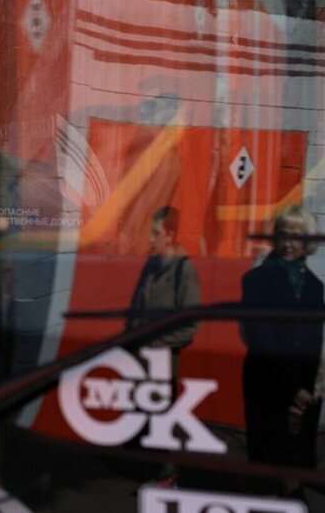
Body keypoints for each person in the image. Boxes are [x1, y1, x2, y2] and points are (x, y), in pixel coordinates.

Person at [240, 205, 325, 477]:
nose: (288, 244)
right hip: (268, 383)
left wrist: (305, 390)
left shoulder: (315, 286)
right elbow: (261, 338)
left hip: (301, 389)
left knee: (294, 462)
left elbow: (315, 340)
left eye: (296, 237)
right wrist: (293, 389)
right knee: (267, 462)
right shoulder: (256, 281)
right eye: (283, 236)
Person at [126, 205, 201, 487]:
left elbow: (191, 325)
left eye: (154, 233)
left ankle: (169, 475)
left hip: (163, 358)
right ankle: (157, 471)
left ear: (170, 235)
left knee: (163, 416)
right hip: (141, 357)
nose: (149, 239)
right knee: (147, 415)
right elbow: (137, 306)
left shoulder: (184, 269)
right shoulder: (152, 263)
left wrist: (156, 341)